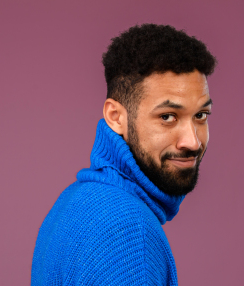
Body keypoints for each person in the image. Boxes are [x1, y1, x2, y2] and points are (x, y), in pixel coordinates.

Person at [31, 24, 217, 285]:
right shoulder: (128, 234)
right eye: (167, 117)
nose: (193, 142)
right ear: (115, 117)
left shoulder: (75, 201)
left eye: (200, 116)